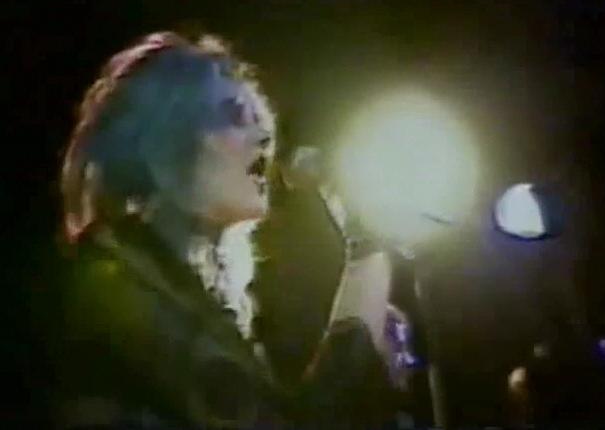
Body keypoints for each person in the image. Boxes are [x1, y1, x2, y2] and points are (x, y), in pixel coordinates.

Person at [42, 31, 402, 429]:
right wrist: (367, 255)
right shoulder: (112, 291)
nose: (265, 138)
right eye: (234, 116)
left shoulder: (175, 294)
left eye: (259, 120)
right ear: (161, 144)